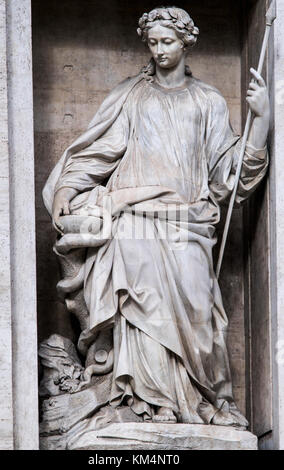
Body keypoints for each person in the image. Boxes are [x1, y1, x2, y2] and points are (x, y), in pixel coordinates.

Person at [43, 7, 269, 426]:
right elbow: (97, 152)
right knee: (139, 301)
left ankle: (205, 400)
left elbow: (229, 177)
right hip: (134, 217)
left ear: (186, 42)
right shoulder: (131, 95)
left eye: (168, 42)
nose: (160, 50)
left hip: (188, 222)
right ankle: (147, 401)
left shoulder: (208, 101)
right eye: (153, 43)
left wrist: (261, 122)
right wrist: (67, 187)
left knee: (198, 308)